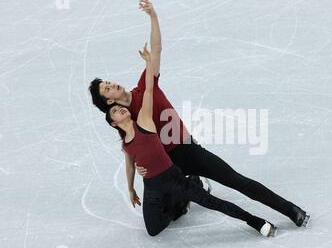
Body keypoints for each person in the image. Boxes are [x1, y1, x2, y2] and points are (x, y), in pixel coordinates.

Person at [89, 0, 310, 229]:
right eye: (107, 88)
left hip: (187, 149)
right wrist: (135, 177)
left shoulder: (145, 87)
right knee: (157, 219)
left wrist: (153, 15)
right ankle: (188, 189)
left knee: (236, 180)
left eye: (109, 82)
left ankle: (290, 209)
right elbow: (130, 149)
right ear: (109, 101)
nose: (112, 84)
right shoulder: (123, 120)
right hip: (165, 169)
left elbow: (157, 49)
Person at [106, 43, 278, 237]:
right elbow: (130, 161)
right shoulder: (125, 142)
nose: (120, 110)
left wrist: (148, 61)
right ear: (114, 124)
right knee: (153, 230)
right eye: (114, 112)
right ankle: (179, 204)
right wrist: (130, 188)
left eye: (119, 108)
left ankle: (255, 221)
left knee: (213, 202)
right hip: (153, 187)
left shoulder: (145, 121)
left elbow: (148, 91)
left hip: (175, 176)